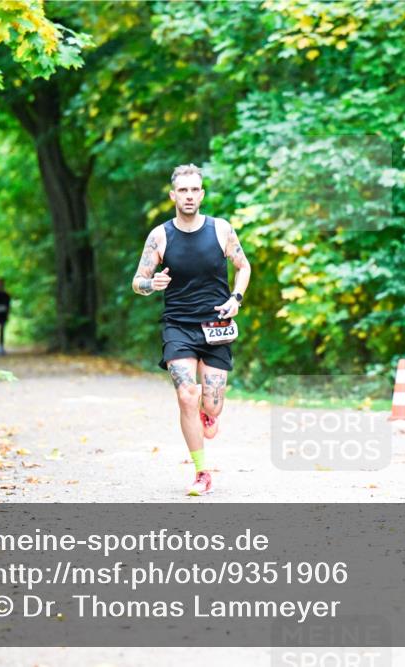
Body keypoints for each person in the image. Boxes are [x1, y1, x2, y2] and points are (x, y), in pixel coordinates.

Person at [132, 164, 251, 496]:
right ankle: (202, 472)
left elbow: (244, 267)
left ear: (201, 194)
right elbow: (137, 282)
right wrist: (151, 284)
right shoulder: (159, 235)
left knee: (211, 405)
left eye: (194, 189)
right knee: (186, 395)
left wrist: (236, 298)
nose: (188, 195)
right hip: (178, 327)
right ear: (173, 195)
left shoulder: (221, 230)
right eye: (182, 190)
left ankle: (208, 414)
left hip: (216, 325)